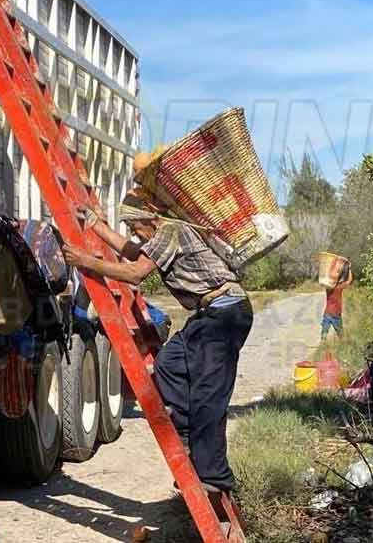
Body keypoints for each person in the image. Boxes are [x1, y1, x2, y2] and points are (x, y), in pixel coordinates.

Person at [62, 194, 252, 497]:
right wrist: (97, 227)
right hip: (209, 315)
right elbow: (135, 251)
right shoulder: (162, 235)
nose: (136, 234)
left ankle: (214, 476)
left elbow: (136, 271)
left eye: (136, 227)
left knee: (208, 396)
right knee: (169, 363)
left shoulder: (170, 230)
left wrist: (85, 261)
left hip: (225, 314)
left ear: (151, 218)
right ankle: (190, 437)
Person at [321, 261, 353, 340]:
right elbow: (349, 280)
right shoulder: (340, 286)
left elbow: (324, 280)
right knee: (340, 334)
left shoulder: (328, 287)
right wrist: (349, 269)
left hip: (327, 313)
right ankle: (341, 346)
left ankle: (323, 344)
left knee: (324, 332)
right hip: (336, 313)